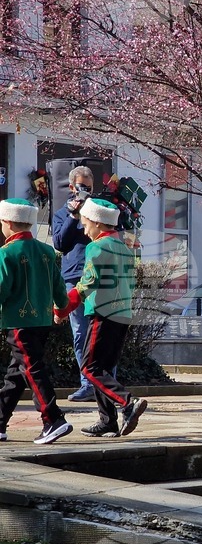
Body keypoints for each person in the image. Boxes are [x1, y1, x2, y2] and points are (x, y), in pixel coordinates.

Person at [55, 199, 147, 439]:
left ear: (97, 223)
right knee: (103, 367)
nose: (84, 230)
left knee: (90, 367)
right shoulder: (125, 248)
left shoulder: (95, 247)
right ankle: (107, 421)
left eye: (86, 224)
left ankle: (128, 403)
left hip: (102, 313)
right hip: (123, 314)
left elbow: (87, 282)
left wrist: (62, 308)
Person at [0, 198, 72, 445]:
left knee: (31, 369)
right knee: (17, 372)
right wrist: (61, 309)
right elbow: (58, 286)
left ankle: (53, 419)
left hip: (18, 323)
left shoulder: (6, 253)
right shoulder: (47, 251)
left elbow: (1, 289)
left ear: (7, 223)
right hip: (42, 320)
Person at [51, 164, 98, 402]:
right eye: (81, 187)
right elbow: (59, 243)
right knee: (80, 332)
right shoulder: (62, 212)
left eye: (89, 188)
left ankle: (104, 381)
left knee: (102, 331)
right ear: (71, 186)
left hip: (99, 277)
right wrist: (72, 215)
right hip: (74, 276)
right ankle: (87, 383)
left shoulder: (99, 209)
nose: (85, 192)